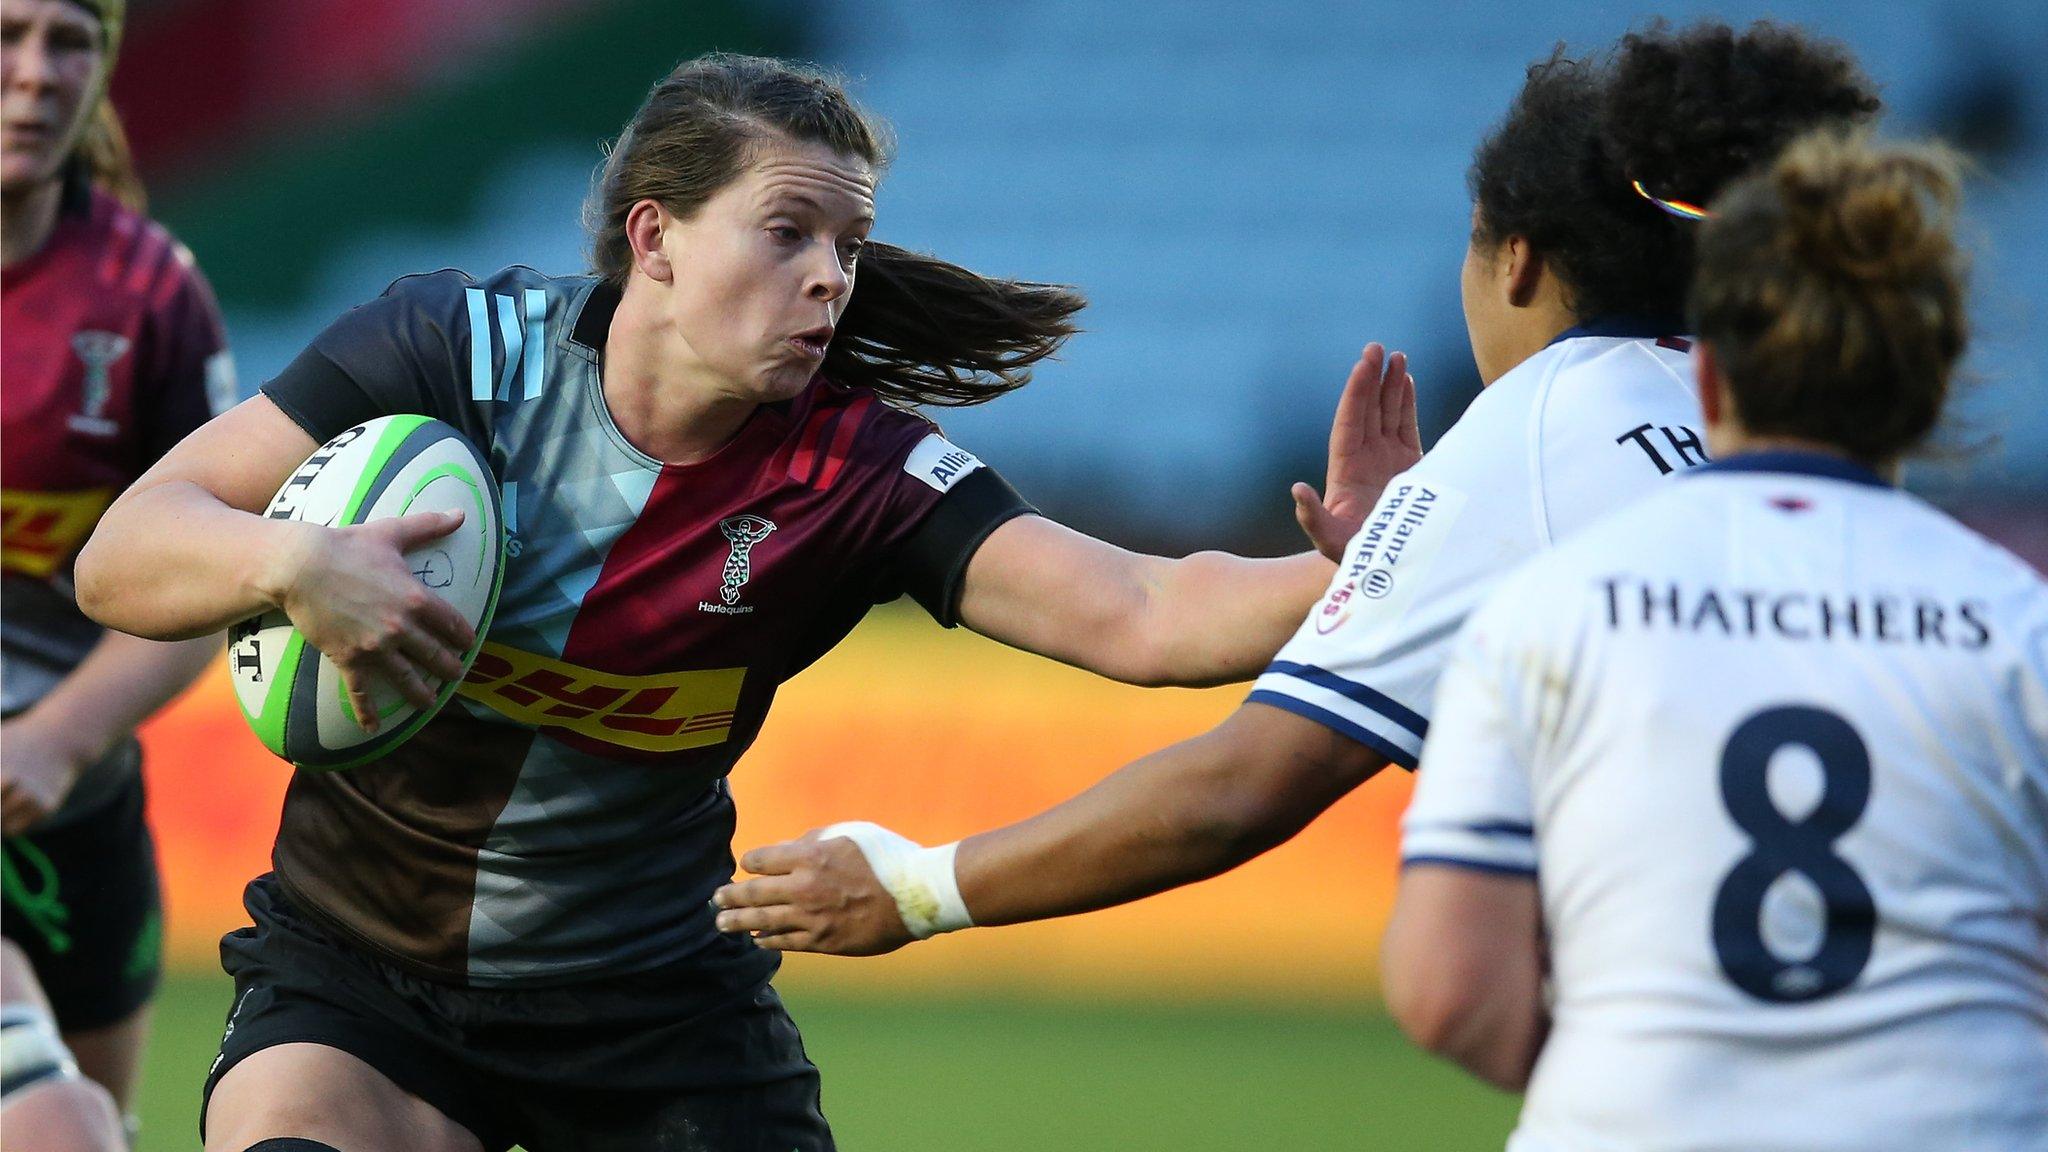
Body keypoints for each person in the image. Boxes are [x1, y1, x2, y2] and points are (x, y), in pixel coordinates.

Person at [71, 53, 1419, 1152]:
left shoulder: (859, 471)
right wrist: (292, 563)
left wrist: (1374, 557)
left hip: (650, 1018)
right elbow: (125, 553)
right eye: (789, 233)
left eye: (848, 243)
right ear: (653, 240)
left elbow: (1146, 614)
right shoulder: (451, 353)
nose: (832, 278)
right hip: (356, 979)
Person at [711, 21, 1888, 958]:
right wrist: (1380, 558)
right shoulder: (1811, 443)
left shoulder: (1528, 433)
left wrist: (917, 890)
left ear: (1514, 258)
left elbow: (1236, 789)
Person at [1380, 130, 2048, 1149]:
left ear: (1707, 379)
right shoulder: (2018, 627)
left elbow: (1447, 992)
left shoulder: (1544, 611)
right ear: (1928, 389)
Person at [0, 0, 232, 1143]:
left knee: (107, 1124)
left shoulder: (148, 296)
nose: (39, 74)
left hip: (76, 812)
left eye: (71, 40)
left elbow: (202, 580)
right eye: (6, 33)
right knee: (56, 1130)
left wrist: (57, 738)